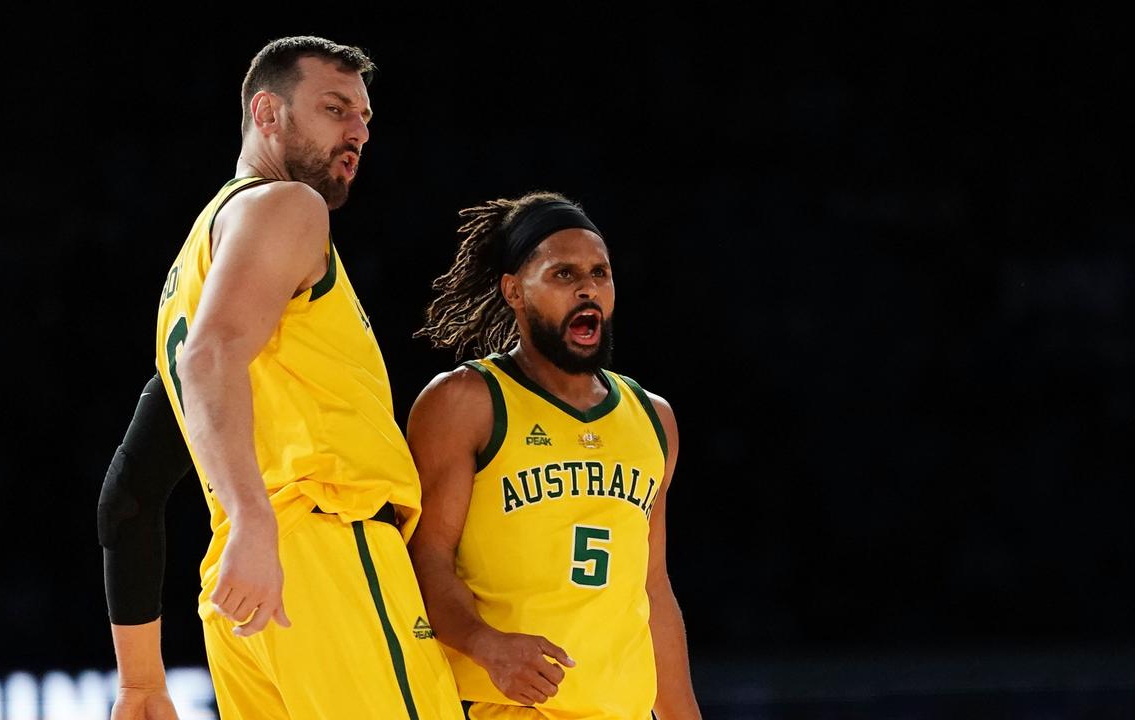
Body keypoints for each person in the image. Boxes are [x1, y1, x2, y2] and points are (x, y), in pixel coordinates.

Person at [97, 35, 462, 720]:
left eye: (365, 117)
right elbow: (210, 357)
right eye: (334, 108)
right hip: (322, 551)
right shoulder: (289, 207)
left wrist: (140, 683)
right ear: (267, 114)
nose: (357, 131)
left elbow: (129, 495)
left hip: (244, 598)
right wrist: (254, 520)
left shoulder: (191, 276)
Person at [407, 192, 703, 719]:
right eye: (563, 275)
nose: (588, 287)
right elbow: (424, 558)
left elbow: (653, 588)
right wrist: (484, 643)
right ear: (514, 290)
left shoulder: (653, 418)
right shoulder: (465, 401)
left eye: (600, 272)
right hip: (498, 706)